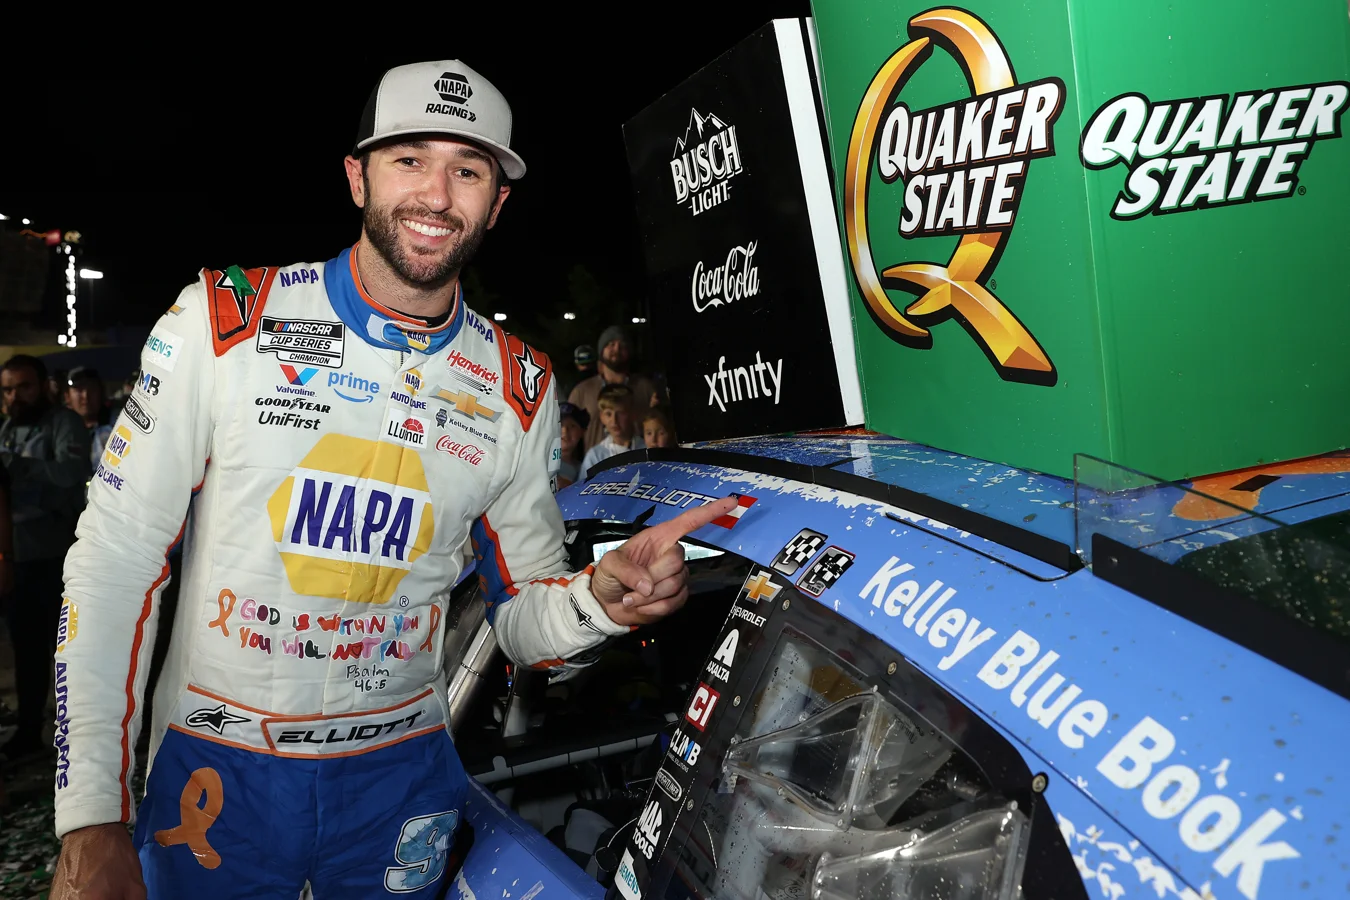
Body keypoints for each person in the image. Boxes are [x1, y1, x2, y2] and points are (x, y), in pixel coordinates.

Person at [51, 60, 735, 900]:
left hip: (401, 783)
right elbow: (115, 560)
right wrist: (92, 813)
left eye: (468, 171)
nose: (437, 195)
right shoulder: (224, 323)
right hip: (216, 774)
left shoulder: (518, 386)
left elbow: (522, 616)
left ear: (497, 202)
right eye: (410, 159)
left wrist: (599, 599)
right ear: (357, 177)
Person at [0, 355, 91, 762]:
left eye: (24, 387)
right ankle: (28, 729)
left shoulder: (63, 423)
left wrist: (18, 468)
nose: (15, 396)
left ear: (43, 386)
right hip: (17, 557)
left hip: (56, 557)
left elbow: (70, 474)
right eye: (7, 389)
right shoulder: (7, 428)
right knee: (26, 650)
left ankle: (78, 732)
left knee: (67, 649)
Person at [568, 326, 657, 452]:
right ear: (601, 351)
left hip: (638, 460)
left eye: (622, 345)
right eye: (611, 344)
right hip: (595, 462)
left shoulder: (646, 388)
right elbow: (566, 432)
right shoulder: (582, 391)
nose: (617, 349)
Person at [579, 383, 646, 481]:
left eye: (620, 413)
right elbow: (583, 486)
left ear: (632, 414)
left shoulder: (645, 448)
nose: (614, 421)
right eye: (608, 414)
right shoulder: (596, 455)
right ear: (602, 417)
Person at [65, 367, 115, 469]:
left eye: (92, 389)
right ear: (67, 397)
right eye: (79, 390)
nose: (86, 396)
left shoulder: (118, 426)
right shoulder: (59, 431)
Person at [556, 401, 589, 490]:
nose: (564, 431)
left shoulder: (586, 466)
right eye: (559, 424)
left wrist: (571, 487)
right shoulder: (540, 461)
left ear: (582, 431)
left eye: (572, 426)